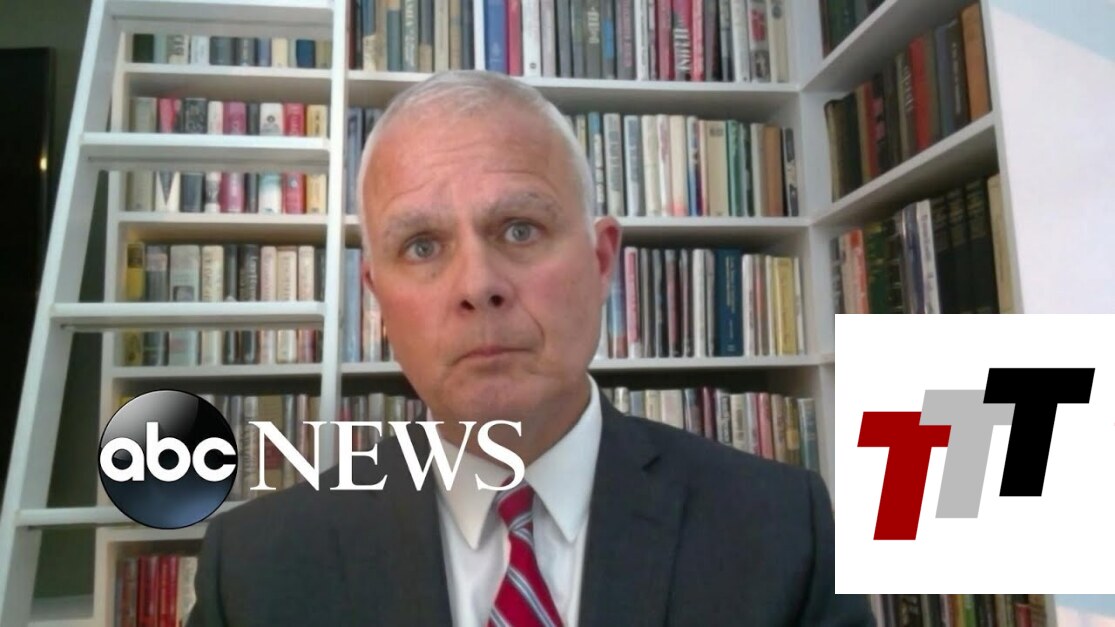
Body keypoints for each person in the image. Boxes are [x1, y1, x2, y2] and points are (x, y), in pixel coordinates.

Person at [187, 70, 874, 627]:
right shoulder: (255, 569)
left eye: (519, 229)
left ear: (601, 262)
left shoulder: (784, 530)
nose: (477, 285)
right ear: (378, 300)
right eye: (421, 246)